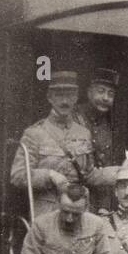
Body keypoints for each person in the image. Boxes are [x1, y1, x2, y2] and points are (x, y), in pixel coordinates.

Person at [9, 70, 107, 219]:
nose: (65, 101)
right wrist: (49, 175)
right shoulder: (34, 133)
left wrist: (120, 173)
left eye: (70, 95)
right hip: (47, 212)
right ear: (50, 97)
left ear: (76, 97)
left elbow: (89, 175)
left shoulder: (83, 133)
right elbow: (18, 176)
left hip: (78, 209)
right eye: (59, 95)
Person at [75, 67, 122, 210]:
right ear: (89, 93)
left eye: (110, 94)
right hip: (76, 199)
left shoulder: (110, 125)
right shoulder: (74, 119)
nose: (106, 98)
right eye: (100, 91)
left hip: (101, 201)